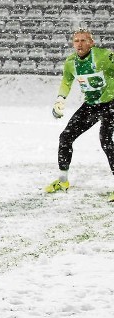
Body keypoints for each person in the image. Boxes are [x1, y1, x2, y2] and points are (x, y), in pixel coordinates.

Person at [45, 29, 114, 200]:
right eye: (76, 40)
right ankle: (62, 180)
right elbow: (66, 82)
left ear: (92, 42)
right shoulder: (70, 63)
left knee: (105, 140)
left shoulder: (104, 56)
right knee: (65, 137)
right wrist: (60, 99)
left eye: (84, 40)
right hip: (91, 105)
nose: (80, 44)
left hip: (111, 102)